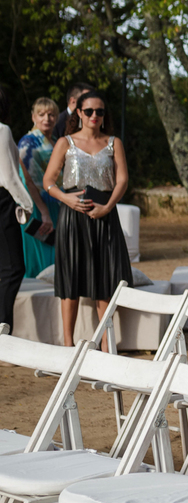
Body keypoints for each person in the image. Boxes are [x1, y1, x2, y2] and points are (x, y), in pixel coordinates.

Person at [41, 91, 134, 349]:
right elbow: (48, 181)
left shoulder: (114, 142)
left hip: (105, 216)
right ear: (79, 113)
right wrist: (65, 199)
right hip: (73, 217)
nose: (95, 116)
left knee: (105, 280)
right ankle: (68, 345)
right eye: (90, 111)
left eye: (100, 111)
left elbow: (123, 180)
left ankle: (105, 346)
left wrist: (107, 208)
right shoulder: (64, 142)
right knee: (71, 277)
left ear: (105, 115)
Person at [0, 87, 34, 329]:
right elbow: (10, 176)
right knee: (13, 268)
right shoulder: (2, 131)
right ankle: (3, 329)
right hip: (2, 202)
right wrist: (27, 204)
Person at [18, 97, 60, 276]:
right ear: (33, 117)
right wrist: (43, 212)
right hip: (37, 207)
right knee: (40, 260)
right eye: (41, 114)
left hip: (54, 204)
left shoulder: (54, 141)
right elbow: (29, 181)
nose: (47, 118)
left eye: (51, 114)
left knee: (54, 257)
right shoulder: (28, 142)